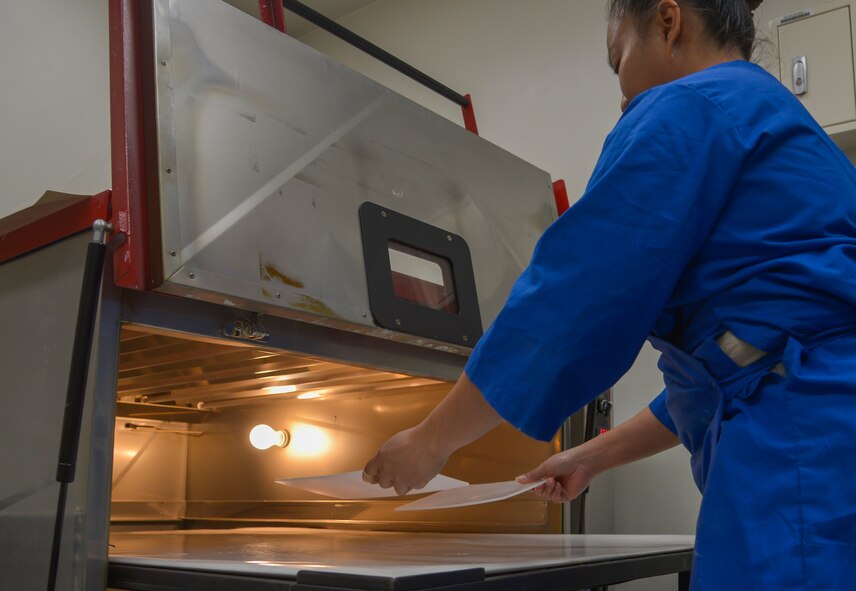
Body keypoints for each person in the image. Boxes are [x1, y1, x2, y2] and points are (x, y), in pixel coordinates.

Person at [362, 0, 856, 588]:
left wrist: (429, 441)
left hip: (799, 455)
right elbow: (733, 369)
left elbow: (569, 302)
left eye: (617, 59)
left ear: (669, 23)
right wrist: (587, 457)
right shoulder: (771, 115)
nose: (621, 94)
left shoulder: (691, 105)